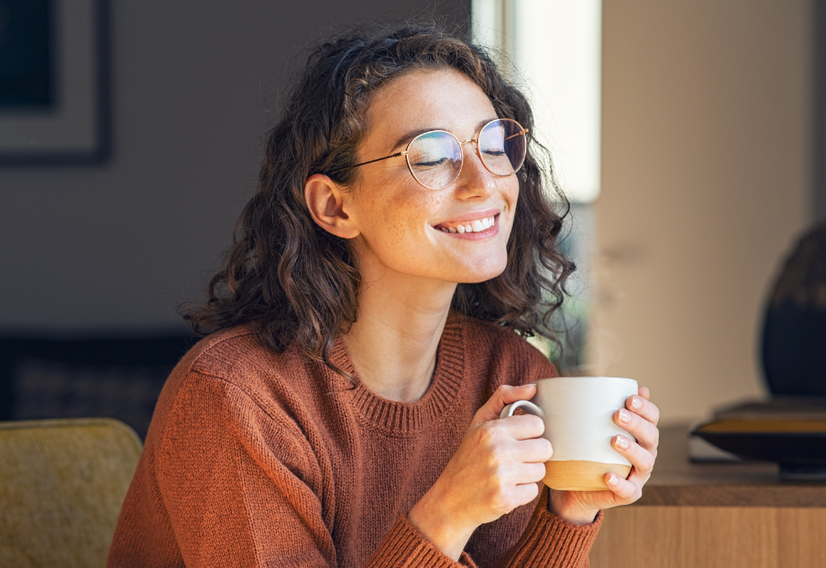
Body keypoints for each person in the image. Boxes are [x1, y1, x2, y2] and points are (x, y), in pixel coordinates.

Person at [108, 23, 660, 568]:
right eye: (429, 157)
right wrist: (446, 515)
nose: (484, 183)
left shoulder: (511, 375)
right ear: (334, 207)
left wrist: (569, 515)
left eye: (493, 143)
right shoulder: (239, 399)